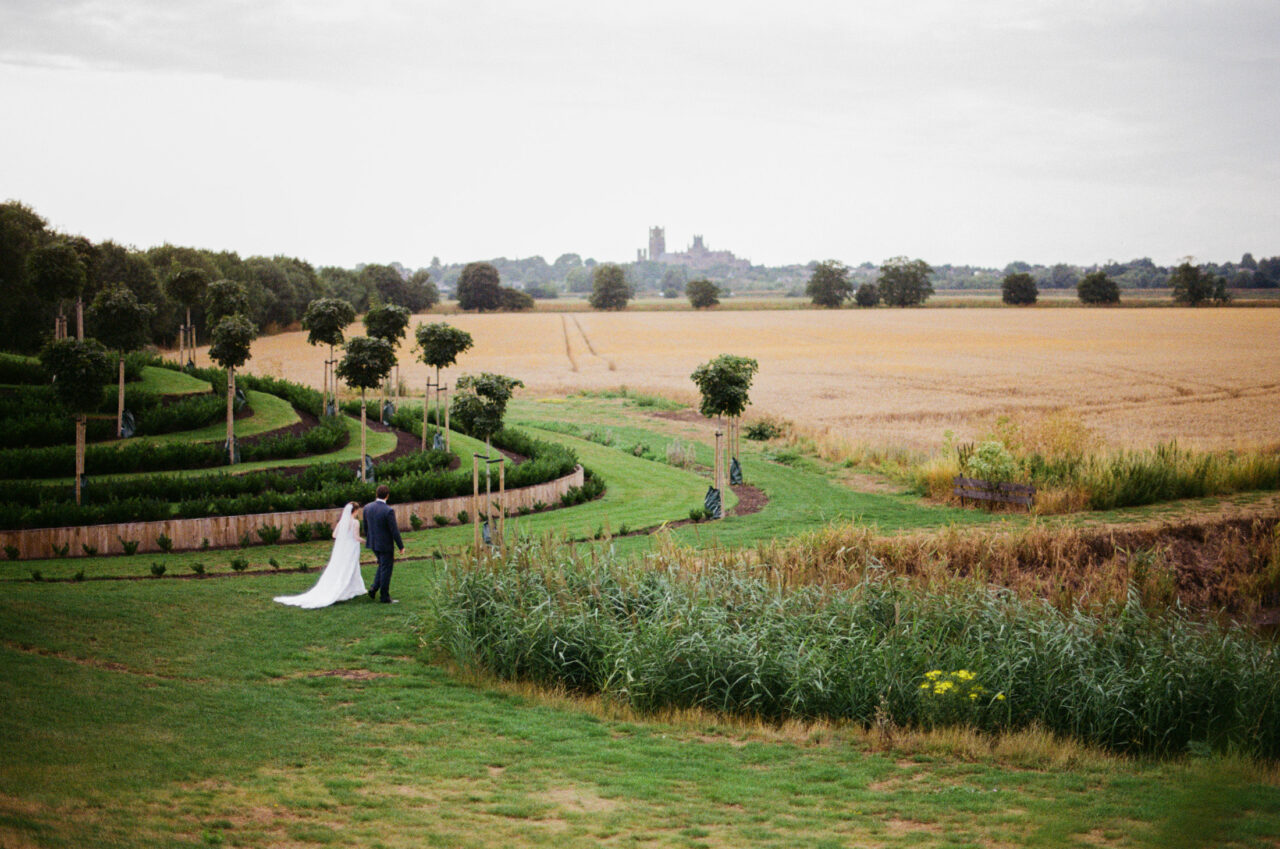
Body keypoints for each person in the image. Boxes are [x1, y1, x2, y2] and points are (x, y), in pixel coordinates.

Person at [273, 502, 366, 609]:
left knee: (344, 567)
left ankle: (356, 587)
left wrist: (344, 537)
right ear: (355, 511)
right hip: (351, 548)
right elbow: (356, 537)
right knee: (351, 566)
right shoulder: (355, 522)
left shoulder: (342, 523)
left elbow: (334, 535)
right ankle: (350, 588)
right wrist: (366, 542)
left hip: (344, 548)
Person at [364, 484, 404, 604]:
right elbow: (394, 530)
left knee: (382, 566)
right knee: (386, 569)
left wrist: (369, 538)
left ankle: (373, 588)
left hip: (373, 543)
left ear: (376, 494)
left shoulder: (367, 507)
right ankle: (384, 596)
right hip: (385, 544)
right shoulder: (388, 510)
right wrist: (401, 546)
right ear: (387, 496)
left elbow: (366, 527)